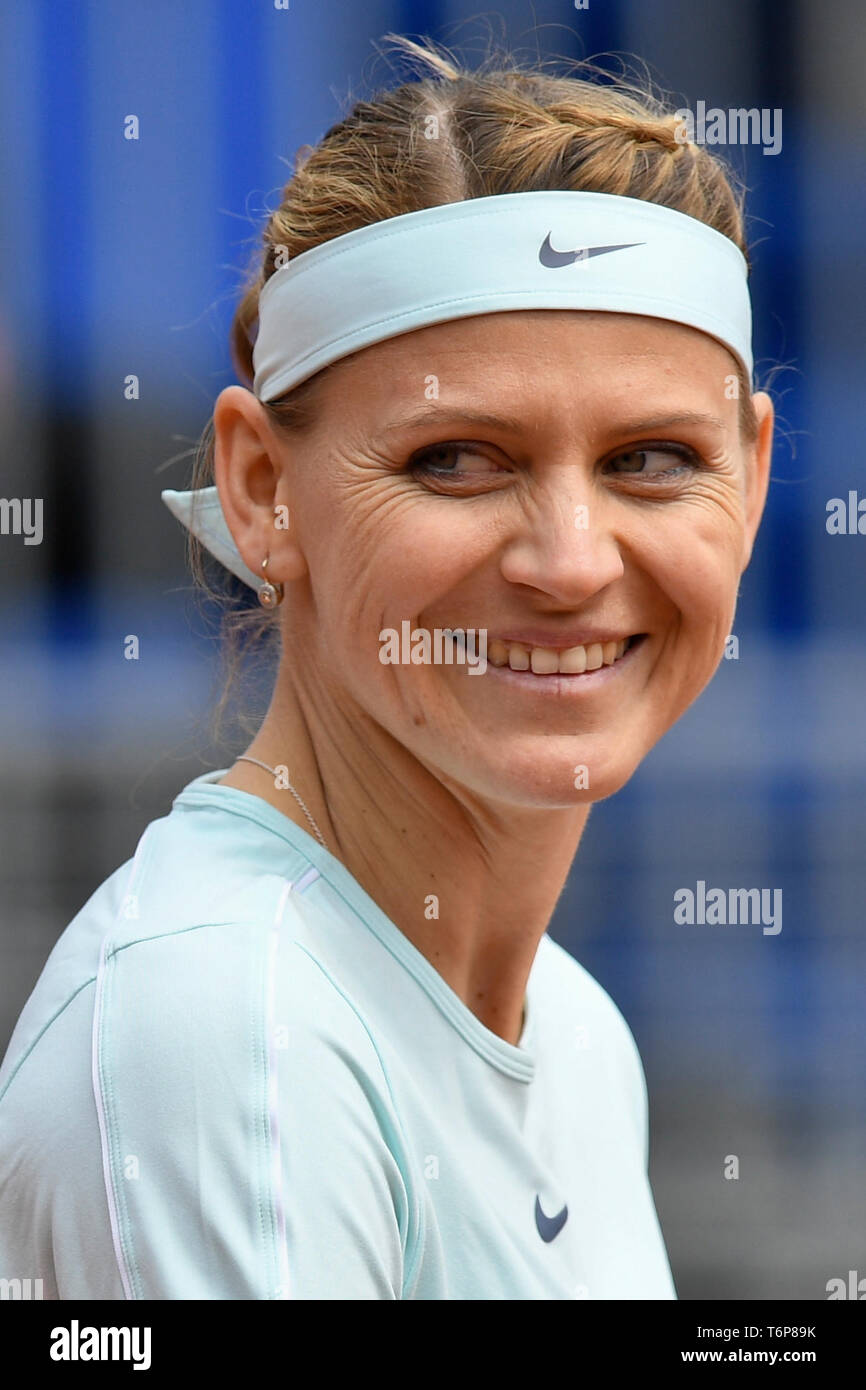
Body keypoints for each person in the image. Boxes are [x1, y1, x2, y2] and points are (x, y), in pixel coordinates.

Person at [0, 36, 773, 1299]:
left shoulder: (573, 1033)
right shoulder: (226, 1031)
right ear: (261, 489)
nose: (569, 562)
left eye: (651, 459)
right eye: (455, 459)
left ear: (748, 481)